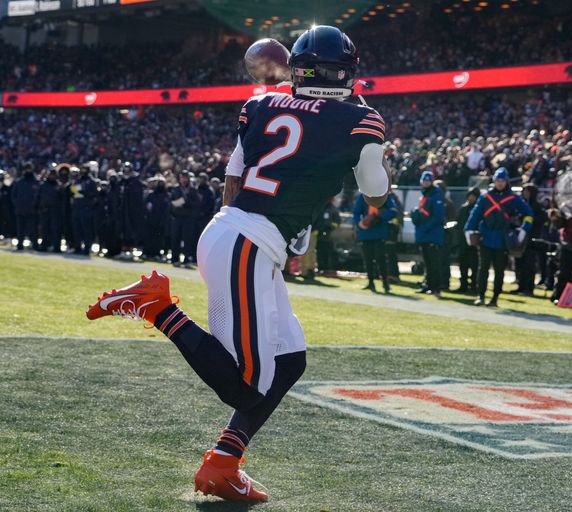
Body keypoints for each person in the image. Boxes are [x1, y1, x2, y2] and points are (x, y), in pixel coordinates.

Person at [87, 25, 390, 503]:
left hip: (238, 236)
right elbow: (374, 190)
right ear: (348, 72)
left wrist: (280, 233)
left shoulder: (261, 105)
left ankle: (224, 463)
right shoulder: (362, 119)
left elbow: (235, 178)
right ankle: (155, 307)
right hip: (248, 245)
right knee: (246, 388)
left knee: (289, 361)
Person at [465, 168, 533, 307]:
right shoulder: (485, 198)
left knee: (499, 271)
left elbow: (529, 214)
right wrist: (469, 230)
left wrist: (523, 231)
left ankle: (495, 297)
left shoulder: (513, 198)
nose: (500, 183)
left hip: (503, 240)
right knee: (482, 269)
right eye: (497, 181)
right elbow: (475, 215)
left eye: (502, 181)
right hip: (485, 238)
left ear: (506, 181)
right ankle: (481, 295)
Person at [353, 192, 396, 292]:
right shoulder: (363, 196)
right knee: (368, 259)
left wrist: (379, 217)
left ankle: (385, 282)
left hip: (379, 231)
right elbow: (356, 212)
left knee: (380, 258)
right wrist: (359, 223)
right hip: (366, 232)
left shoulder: (384, 195)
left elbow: (393, 211)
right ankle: (371, 282)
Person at [411, 171, 445, 296]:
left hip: (432, 234)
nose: (425, 183)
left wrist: (425, 227)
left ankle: (436, 287)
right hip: (424, 234)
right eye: (424, 181)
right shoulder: (425, 195)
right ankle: (428, 285)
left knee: (434, 262)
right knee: (427, 262)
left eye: (428, 181)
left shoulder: (436, 194)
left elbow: (438, 217)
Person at [169, 170, 201, 267]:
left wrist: (187, 202)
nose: (183, 179)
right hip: (177, 217)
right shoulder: (175, 189)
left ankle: (186, 259)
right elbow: (170, 202)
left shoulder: (193, 190)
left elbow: (197, 204)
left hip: (188, 218)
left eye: (185, 177)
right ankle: (175, 259)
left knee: (187, 239)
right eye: (182, 177)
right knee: (175, 238)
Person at [455, 187, 480, 293]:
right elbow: (459, 224)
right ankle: (463, 285)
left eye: (473, 196)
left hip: (475, 241)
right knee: (463, 264)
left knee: (474, 264)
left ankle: (474, 285)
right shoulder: (463, 209)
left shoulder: (478, 209)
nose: (471, 198)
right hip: (463, 241)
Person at [11, 164, 40, 251]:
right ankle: (20, 245)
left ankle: (35, 245)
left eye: (29, 169)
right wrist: (17, 205)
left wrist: (35, 206)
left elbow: (39, 196)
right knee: (20, 230)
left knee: (33, 230)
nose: (28, 171)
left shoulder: (36, 182)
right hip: (20, 210)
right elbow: (13, 195)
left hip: (32, 210)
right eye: (27, 169)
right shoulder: (19, 182)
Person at [70, 165, 98, 255]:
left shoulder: (91, 182)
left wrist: (84, 192)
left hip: (86, 208)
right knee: (76, 229)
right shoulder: (78, 180)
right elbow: (74, 190)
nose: (83, 171)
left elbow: (93, 195)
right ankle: (77, 247)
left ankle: (87, 248)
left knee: (86, 229)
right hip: (77, 206)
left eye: (85, 170)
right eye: (82, 169)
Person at [36, 169, 62, 252]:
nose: (52, 176)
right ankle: (44, 246)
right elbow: (38, 197)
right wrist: (38, 207)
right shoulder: (43, 185)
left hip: (55, 210)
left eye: (54, 175)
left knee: (55, 229)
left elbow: (62, 199)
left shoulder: (59, 185)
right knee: (44, 229)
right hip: (44, 210)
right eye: (51, 175)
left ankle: (56, 247)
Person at [315, 197, 340, 274]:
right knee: (319, 252)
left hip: (329, 236)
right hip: (319, 235)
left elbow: (337, 222)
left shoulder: (334, 209)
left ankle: (326, 268)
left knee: (327, 253)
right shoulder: (320, 207)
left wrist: (330, 226)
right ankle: (319, 268)